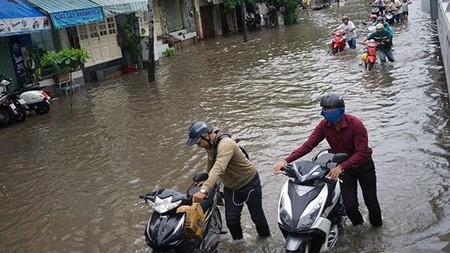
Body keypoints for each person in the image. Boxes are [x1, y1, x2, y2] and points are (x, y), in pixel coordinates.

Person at [272, 94, 383, 228]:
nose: (327, 112)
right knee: (350, 206)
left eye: (330, 109)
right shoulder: (324, 126)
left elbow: (362, 151)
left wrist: (341, 167)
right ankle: (359, 228)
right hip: (344, 171)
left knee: (371, 202)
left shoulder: (356, 125)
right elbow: (308, 145)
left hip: (363, 167)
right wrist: (285, 160)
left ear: (341, 109)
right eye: (324, 108)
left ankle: (377, 229)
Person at [186, 121, 271, 240]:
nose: (198, 146)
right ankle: (239, 243)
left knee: (257, 217)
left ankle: (265, 241)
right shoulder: (210, 146)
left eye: (198, 142)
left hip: (249, 183)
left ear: (206, 135)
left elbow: (219, 167)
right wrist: (205, 178)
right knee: (231, 220)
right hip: (231, 187)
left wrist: (204, 190)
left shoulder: (226, 144)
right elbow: (211, 163)